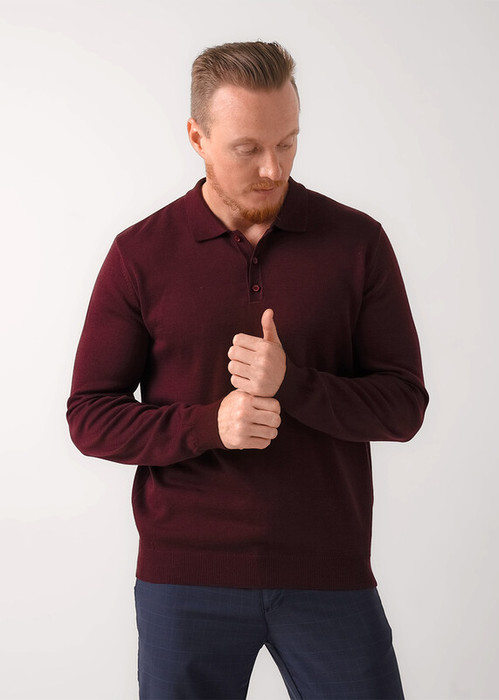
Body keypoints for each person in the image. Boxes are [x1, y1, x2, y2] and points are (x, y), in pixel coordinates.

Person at [67, 40, 428, 700]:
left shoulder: (357, 243)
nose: (273, 167)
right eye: (247, 148)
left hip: (328, 571)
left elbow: (403, 406)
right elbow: (90, 416)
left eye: (288, 143)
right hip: (185, 579)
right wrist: (211, 425)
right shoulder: (140, 254)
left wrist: (293, 384)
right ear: (197, 138)